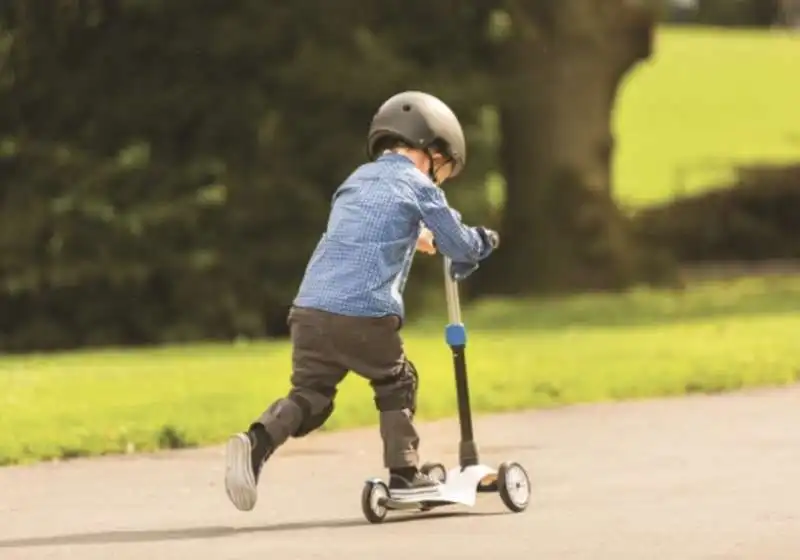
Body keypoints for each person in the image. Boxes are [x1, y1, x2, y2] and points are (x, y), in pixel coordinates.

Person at [224, 90, 500, 512]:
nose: (441, 176)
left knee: (310, 396)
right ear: (433, 149)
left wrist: (416, 236)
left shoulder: (356, 179)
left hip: (310, 310)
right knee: (396, 382)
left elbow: (368, 231)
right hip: (363, 313)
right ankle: (405, 474)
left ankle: (256, 441)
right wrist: (482, 241)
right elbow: (459, 245)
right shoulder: (419, 186)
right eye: (445, 166)